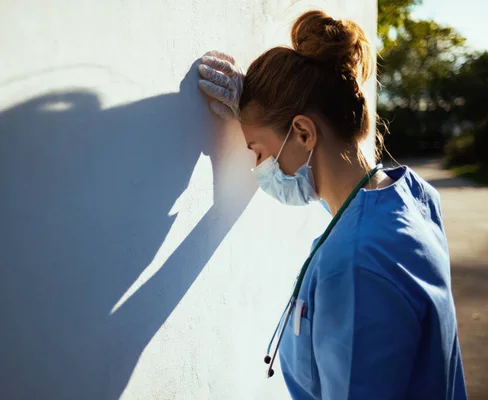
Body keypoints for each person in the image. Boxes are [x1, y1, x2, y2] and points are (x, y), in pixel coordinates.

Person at [197, 10, 467, 400]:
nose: (259, 168)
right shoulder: (413, 196)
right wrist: (258, 112)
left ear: (304, 132)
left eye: (258, 152)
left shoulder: (355, 265)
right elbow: (357, 219)